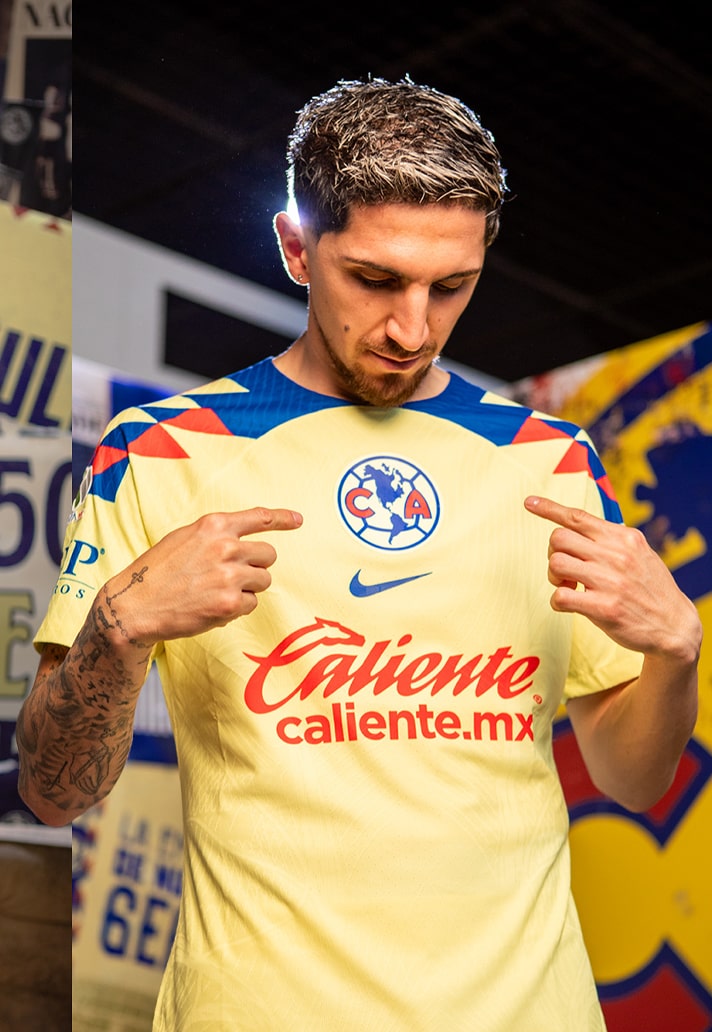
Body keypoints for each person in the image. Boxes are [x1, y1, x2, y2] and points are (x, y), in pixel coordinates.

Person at [17, 78, 701, 1031]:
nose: (412, 330)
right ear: (297, 249)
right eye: (376, 280)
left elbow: (632, 778)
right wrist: (119, 629)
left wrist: (677, 654)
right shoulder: (162, 450)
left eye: (450, 287)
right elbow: (53, 796)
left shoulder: (552, 460)